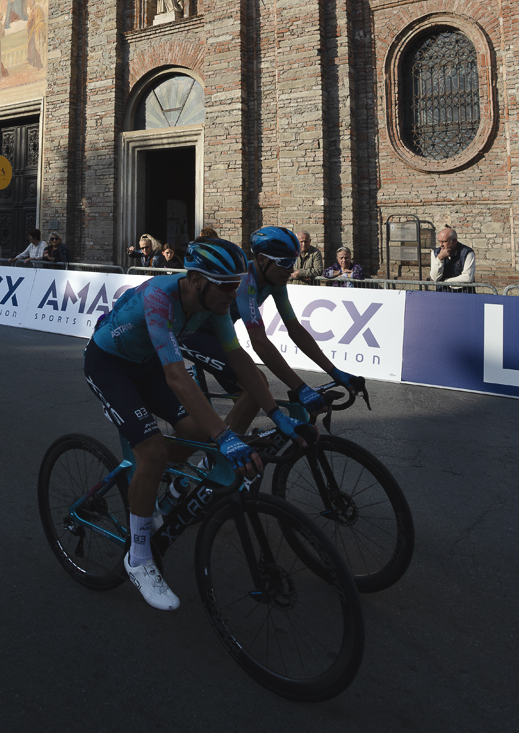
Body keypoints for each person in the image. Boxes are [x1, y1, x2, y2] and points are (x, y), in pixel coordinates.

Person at [84, 238, 306, 612]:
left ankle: (153, 488)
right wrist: (226, 437)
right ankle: (138, 558)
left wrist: (277, 412)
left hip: (147, 365)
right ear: (198, 280)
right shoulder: (160, 296)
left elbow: (238, 358)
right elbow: (176, 376)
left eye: (237, 285)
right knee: (154, 451)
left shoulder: (213, 302)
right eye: (226, 286)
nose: (233, 295)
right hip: (109, 365)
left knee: (196, 433)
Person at [179, 229, 365, 434]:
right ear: (262, 260)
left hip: (219, 334)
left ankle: (227, 446)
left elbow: (295, 329)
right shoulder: (245, 281)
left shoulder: (276, 281)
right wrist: (300, 388)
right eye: (284, 263)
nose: (291, 270)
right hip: (192, 334)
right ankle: (223, 446)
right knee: (257, 385)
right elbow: (259, 341)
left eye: (293, 263)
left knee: (254, 392)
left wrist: (334, 371)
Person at [430, 226, 476, 292]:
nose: (441, 245)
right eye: (439, 241)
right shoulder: (435, 253)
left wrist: (446, 282)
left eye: (444, 241)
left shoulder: (467, 253)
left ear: (454, 241)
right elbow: (435, 278)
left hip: (463, 293)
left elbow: (468, 277)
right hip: (442, 293)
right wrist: (439, 259)